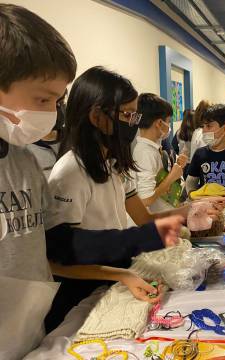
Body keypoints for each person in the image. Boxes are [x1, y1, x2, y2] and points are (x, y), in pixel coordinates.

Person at [45, 67, 184, 331]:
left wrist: (186, 214)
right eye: (129, 115)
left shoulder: (114, 164)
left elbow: (143, 219)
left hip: (116, 273)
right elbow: (58, 260)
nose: (133, 123)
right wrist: (120, 273)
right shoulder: (70, 173)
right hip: (85, 289)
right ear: (97, 116)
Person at [0, 5, 77, 357]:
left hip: (29, 337)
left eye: (57, 101)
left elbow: (49, 248)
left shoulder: (26, 160)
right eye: (43, 99)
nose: (51, 113)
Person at [133, 93, 188, 213]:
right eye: (168, 121)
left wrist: (177, 165)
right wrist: (172, 176)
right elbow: (145, 199)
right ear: (159, 123)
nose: (169, 126)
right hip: (155, 221)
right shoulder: (144, 153)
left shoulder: (154, 148)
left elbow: (159, 179)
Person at [27, 91, 67, 178]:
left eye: (61, 102)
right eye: (47, 102)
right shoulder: (20, 149)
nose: (57, 109)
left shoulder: (73, 140)